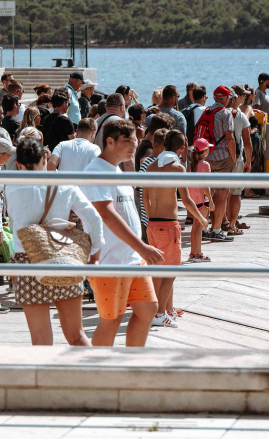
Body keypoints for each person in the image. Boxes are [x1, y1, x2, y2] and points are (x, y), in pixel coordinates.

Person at [5, 137, 105, 346]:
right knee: (77, 335)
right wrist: (94, 253)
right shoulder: (65, 185)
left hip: (28, 261)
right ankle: (91, 377)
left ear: (20, 165)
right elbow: (93, 217)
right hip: (64, 257)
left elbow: (13, 222)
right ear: (45, 159)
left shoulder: (12, 188)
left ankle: (46, 378)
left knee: (40, 340)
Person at [82, 119, 164, 347]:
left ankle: (130, 365)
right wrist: (143, 247)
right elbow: (106, 214)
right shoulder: (95, 171)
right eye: (128, 142)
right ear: (110, 141)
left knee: (148, 309)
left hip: (133, 258)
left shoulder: (115, 169)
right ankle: (100, 373)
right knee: (111, 320)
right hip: (110, 259)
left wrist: (139, 250)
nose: (133, 147)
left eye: (135, 142)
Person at [144, 131, 209, 328]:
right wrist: (201, 219)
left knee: (157, 271)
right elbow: (187, 200)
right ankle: (160, 314)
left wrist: (149, 220)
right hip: (168, 224)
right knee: (170, 272)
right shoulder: (177, 168)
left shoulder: (151, 167)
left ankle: (157, 311)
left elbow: (145, 196)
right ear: (181, 148)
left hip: (152, 224)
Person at [198, 86, 235, 242]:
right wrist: (233, 159)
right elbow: (230, 138)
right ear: (226, 99)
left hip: (207, 157)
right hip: (222, 158)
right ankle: (217, 230)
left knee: (207, 194)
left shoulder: (206, 112)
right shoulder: (226, 113)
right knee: (221, 194)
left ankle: (204, 227)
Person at [224, 86, 252, 235]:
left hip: (217, 159)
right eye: (243, 96)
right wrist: (248, 161)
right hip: (236, 159)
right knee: (235, 193)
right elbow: (247, 141)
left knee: (220, 192)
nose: (245, 98)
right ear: (235, 98)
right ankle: (231, 225)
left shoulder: (217, 113)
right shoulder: (239, 115)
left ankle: (221, 222)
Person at [185, 138, 213, 262]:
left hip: (193, 199)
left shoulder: (192, 164)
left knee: (194, 227)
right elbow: (205, 185)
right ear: (206, 151)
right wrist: (211, 201)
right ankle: (198, 254)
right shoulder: (205, 165)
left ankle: (193, 253)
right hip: (202, 199)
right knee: (200, 226)